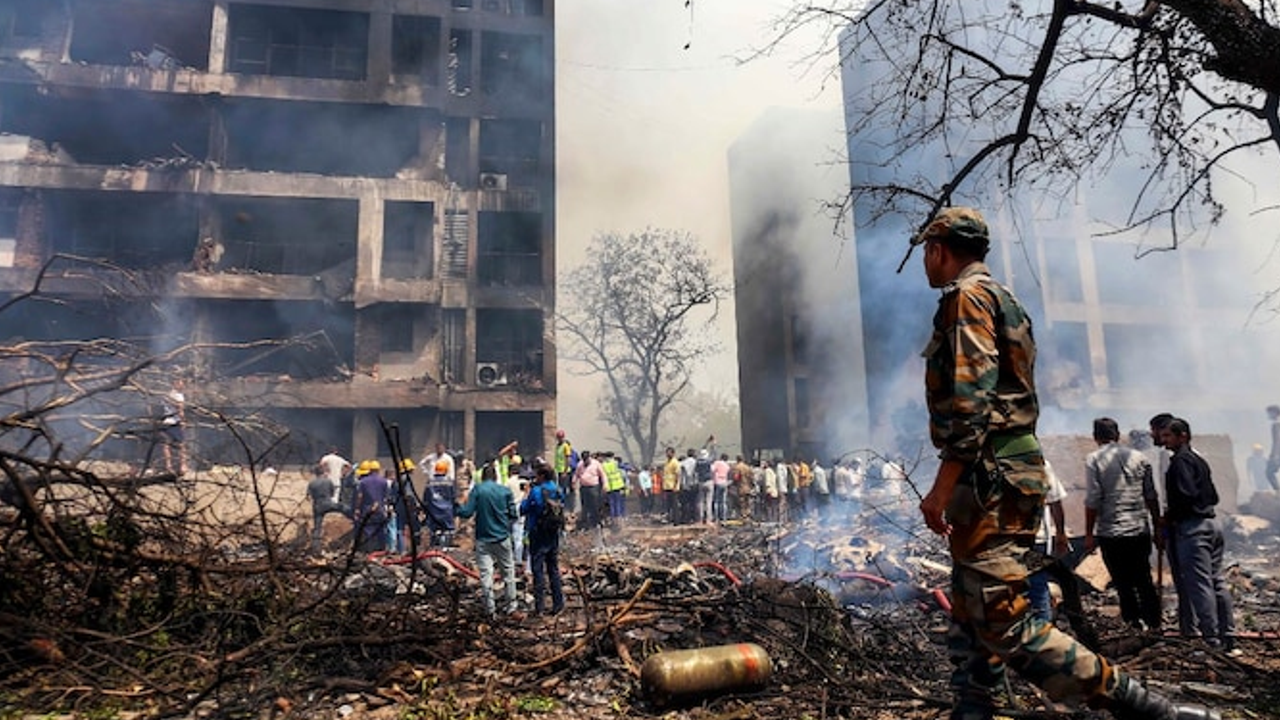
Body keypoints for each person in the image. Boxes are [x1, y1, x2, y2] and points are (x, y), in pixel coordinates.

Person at [913, 206, 1215, 720]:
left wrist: (942, 488)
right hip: (1002, 475)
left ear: (939, 249)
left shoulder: (967, 300)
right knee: (969, 608)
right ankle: (973, 708)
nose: (925, 260)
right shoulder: (1004, 299)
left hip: (990, 479)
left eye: (926, 250)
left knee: (1004, 620)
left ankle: (1151, 711)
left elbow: (970, 404)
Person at [1160, 418, 1234, 649]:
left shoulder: (1180, 462)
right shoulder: (1198, 460)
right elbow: (1213, 496)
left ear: (1182, 436)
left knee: (1200, 586)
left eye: (1168, 436)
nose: (1164, 442)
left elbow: (1186, 496)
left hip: (1193, 529)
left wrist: (1170, 517)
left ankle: (1211, 641)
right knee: (1217, 582)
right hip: (1212, 524)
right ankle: (1228, 636)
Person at [1083, 417, 1162, 631]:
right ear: (1118, 436)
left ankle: (1133, 623)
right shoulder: (1139, 458)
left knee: (1122, 581)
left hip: (1112, 532)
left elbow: (1093, 498)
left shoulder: (1093, 459)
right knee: (1143, 577)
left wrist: (1089, 534)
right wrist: (1157, 526)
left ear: (1095, 437)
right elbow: (1151, 495)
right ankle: (1154, 623)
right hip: (1139, 529)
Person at [454, 463, 520, 617]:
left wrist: (456, 506)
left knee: (486, 575)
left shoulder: (478, 490)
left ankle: (490, 610)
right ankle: (512, 607)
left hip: (484, 539)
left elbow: (466, 512)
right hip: (503, 537)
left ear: (482, 477)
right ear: (496, 476)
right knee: (509, 574)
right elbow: (513, 515)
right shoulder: (504, 491)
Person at [1026, 460, 1069, 623]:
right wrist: (1060, 533)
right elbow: (1055, 502)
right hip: (1036, 540)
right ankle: (1042, 638)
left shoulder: (991, 461)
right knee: (1038, 590)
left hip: (1005, 542)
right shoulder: (1039, 462)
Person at [521, 465, 565, 615]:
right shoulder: (558, 489)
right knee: (553, 569)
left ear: (542, 476)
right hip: (553, 533)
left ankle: (540, 607)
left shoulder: (536, 491)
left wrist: (527, 494)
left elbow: (524, 509)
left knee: (538, 570)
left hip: (538, 533)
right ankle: (558, 604)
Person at [421, 442, 456, 547]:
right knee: (447, 531)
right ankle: (446, 547)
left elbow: (425, 498)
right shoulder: (449, 484)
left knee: (433, 531)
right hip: (446, 512)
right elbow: (452, 497)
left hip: (433, 511)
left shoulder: (430, 483)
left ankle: (434, 547)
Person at [306, 463, 344, 554]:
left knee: (317, 527)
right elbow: (332, 493)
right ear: (323, 472)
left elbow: (308, 497)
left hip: (318, 505)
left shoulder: (311, 483)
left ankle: (316, 547)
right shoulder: (328, 481)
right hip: (328, 503)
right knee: (344, 508)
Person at [352, 460, 390, 553]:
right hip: (380, 510)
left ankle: (369, 551)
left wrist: (357, 509)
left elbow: (360, 497)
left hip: (367, 510)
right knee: (380, 530)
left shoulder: (363, 482)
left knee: (367, 531)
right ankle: (381, 550)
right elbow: (386, 497)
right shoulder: (384, 481)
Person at [160, 378, 187, 476]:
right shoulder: (179, 396)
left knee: (166, 445)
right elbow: (180, 410)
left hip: (165, 422)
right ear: (175, 383)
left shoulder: (166, 395)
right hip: (175, 422)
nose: (182, 385)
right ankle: (182, 466)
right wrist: (183, 421)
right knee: (181, 445)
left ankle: (168, 466)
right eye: (181, 383)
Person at [573, 450, 604, 531]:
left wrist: (605, 485)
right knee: (585, 506)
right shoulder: (580, 464)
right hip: (584, 488)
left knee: (594, 505)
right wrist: (574, 482)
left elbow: (602, 475)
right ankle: (585, 524)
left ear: (589, 458)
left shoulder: (596, 463)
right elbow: (576, 474)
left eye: (586, 459)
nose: (585, 461)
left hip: (593, 487)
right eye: (584, 459)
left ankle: (596, 523)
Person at [662, 447, 681, 522]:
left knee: (675, 505)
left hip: (673, 486)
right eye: (666, 453)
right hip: (666, 486)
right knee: (667, 505)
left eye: (669, 452)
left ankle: (676, 520)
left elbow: (678, 475)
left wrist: (676, 485)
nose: (667, 454)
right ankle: (669, 519)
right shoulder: (666, 462)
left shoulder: (675, 462)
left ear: (673, 453)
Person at [1265, 405, 1280, 492]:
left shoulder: (1276, 425)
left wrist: (1275, 455)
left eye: (1269, 413)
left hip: (1277, 454)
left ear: (1274, 413)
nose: (1268, 415)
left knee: (1269, 472)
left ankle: (1278, 491)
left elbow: (1277, 441)